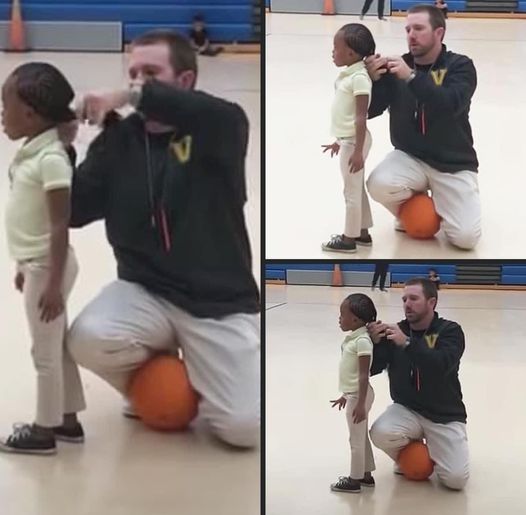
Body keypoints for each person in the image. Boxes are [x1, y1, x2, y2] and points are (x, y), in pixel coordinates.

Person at [63, 30, 260, 448]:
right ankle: (155, 375)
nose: (136, 82)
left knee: (245, 428)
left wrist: (129, 95)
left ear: (185, 81)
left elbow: (214, 115)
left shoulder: (221, 127)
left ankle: (203, 370)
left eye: (150, 73)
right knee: (88, 337)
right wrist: (62, 147)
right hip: (146, 290)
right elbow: (75, 211)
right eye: (132, 73)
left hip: (217, 301)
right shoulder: (119, 140)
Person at [0, 63, 86, 455]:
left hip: (47, 267)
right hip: (36, 265)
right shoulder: (35, 150)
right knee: (57, 345)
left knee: (44, 353)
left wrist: (49, 283)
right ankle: (67, 420)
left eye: (6, 105)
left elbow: (59, 224)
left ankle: (43, 431)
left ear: (31, 114)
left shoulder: (50, 158)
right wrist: (23, 266)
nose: (2, 113)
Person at [364, 5, 480, 250]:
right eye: (407, 29)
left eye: (418, 28)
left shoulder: (460, 66)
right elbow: (370, 111)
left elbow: (450, 104)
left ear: (439, 33)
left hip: (453, 164)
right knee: (378, 182)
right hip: (410, 157)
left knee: (466, 239)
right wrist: (370, 82)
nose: (411, 35)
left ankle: (444, 201)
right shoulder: (395, 68)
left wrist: (411, 78)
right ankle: (416, 207)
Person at [367, 278, 469, 490]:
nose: (407, 304)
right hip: (407, 409)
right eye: (404, 299)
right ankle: (411, 452)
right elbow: (371, 370)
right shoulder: (394, 332)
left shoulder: (450, 331)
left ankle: (437, 448)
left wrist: (406, 343)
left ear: (432, 303)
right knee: (380, 432)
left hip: (444, 416)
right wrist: (374, 345)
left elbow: (440, 365)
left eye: (414, 298)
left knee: (456, 480)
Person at [322, 24, 376, 254]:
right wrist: (338, 140)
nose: (332, 52)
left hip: (355, 141)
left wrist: (356, 150)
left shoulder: (359, 79)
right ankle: (363, 232)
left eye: (336, 48)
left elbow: (360, 118)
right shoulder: (350, 74)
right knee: (357, 188)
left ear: (352, 54)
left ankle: (348, 239)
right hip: (349, 140)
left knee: (350, 192)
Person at [330, 294, 377, 493]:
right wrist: (345, 395)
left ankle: (354, 480)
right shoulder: (354, 338)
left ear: (356, 319)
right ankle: (366, 474)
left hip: (360, 395)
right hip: (354, 394)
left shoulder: (363, 341)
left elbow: (363, 376)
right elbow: (351, 373)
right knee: (361, 436)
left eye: (342, 314)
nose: (339, 318)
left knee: (355, 440)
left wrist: (359, 403)